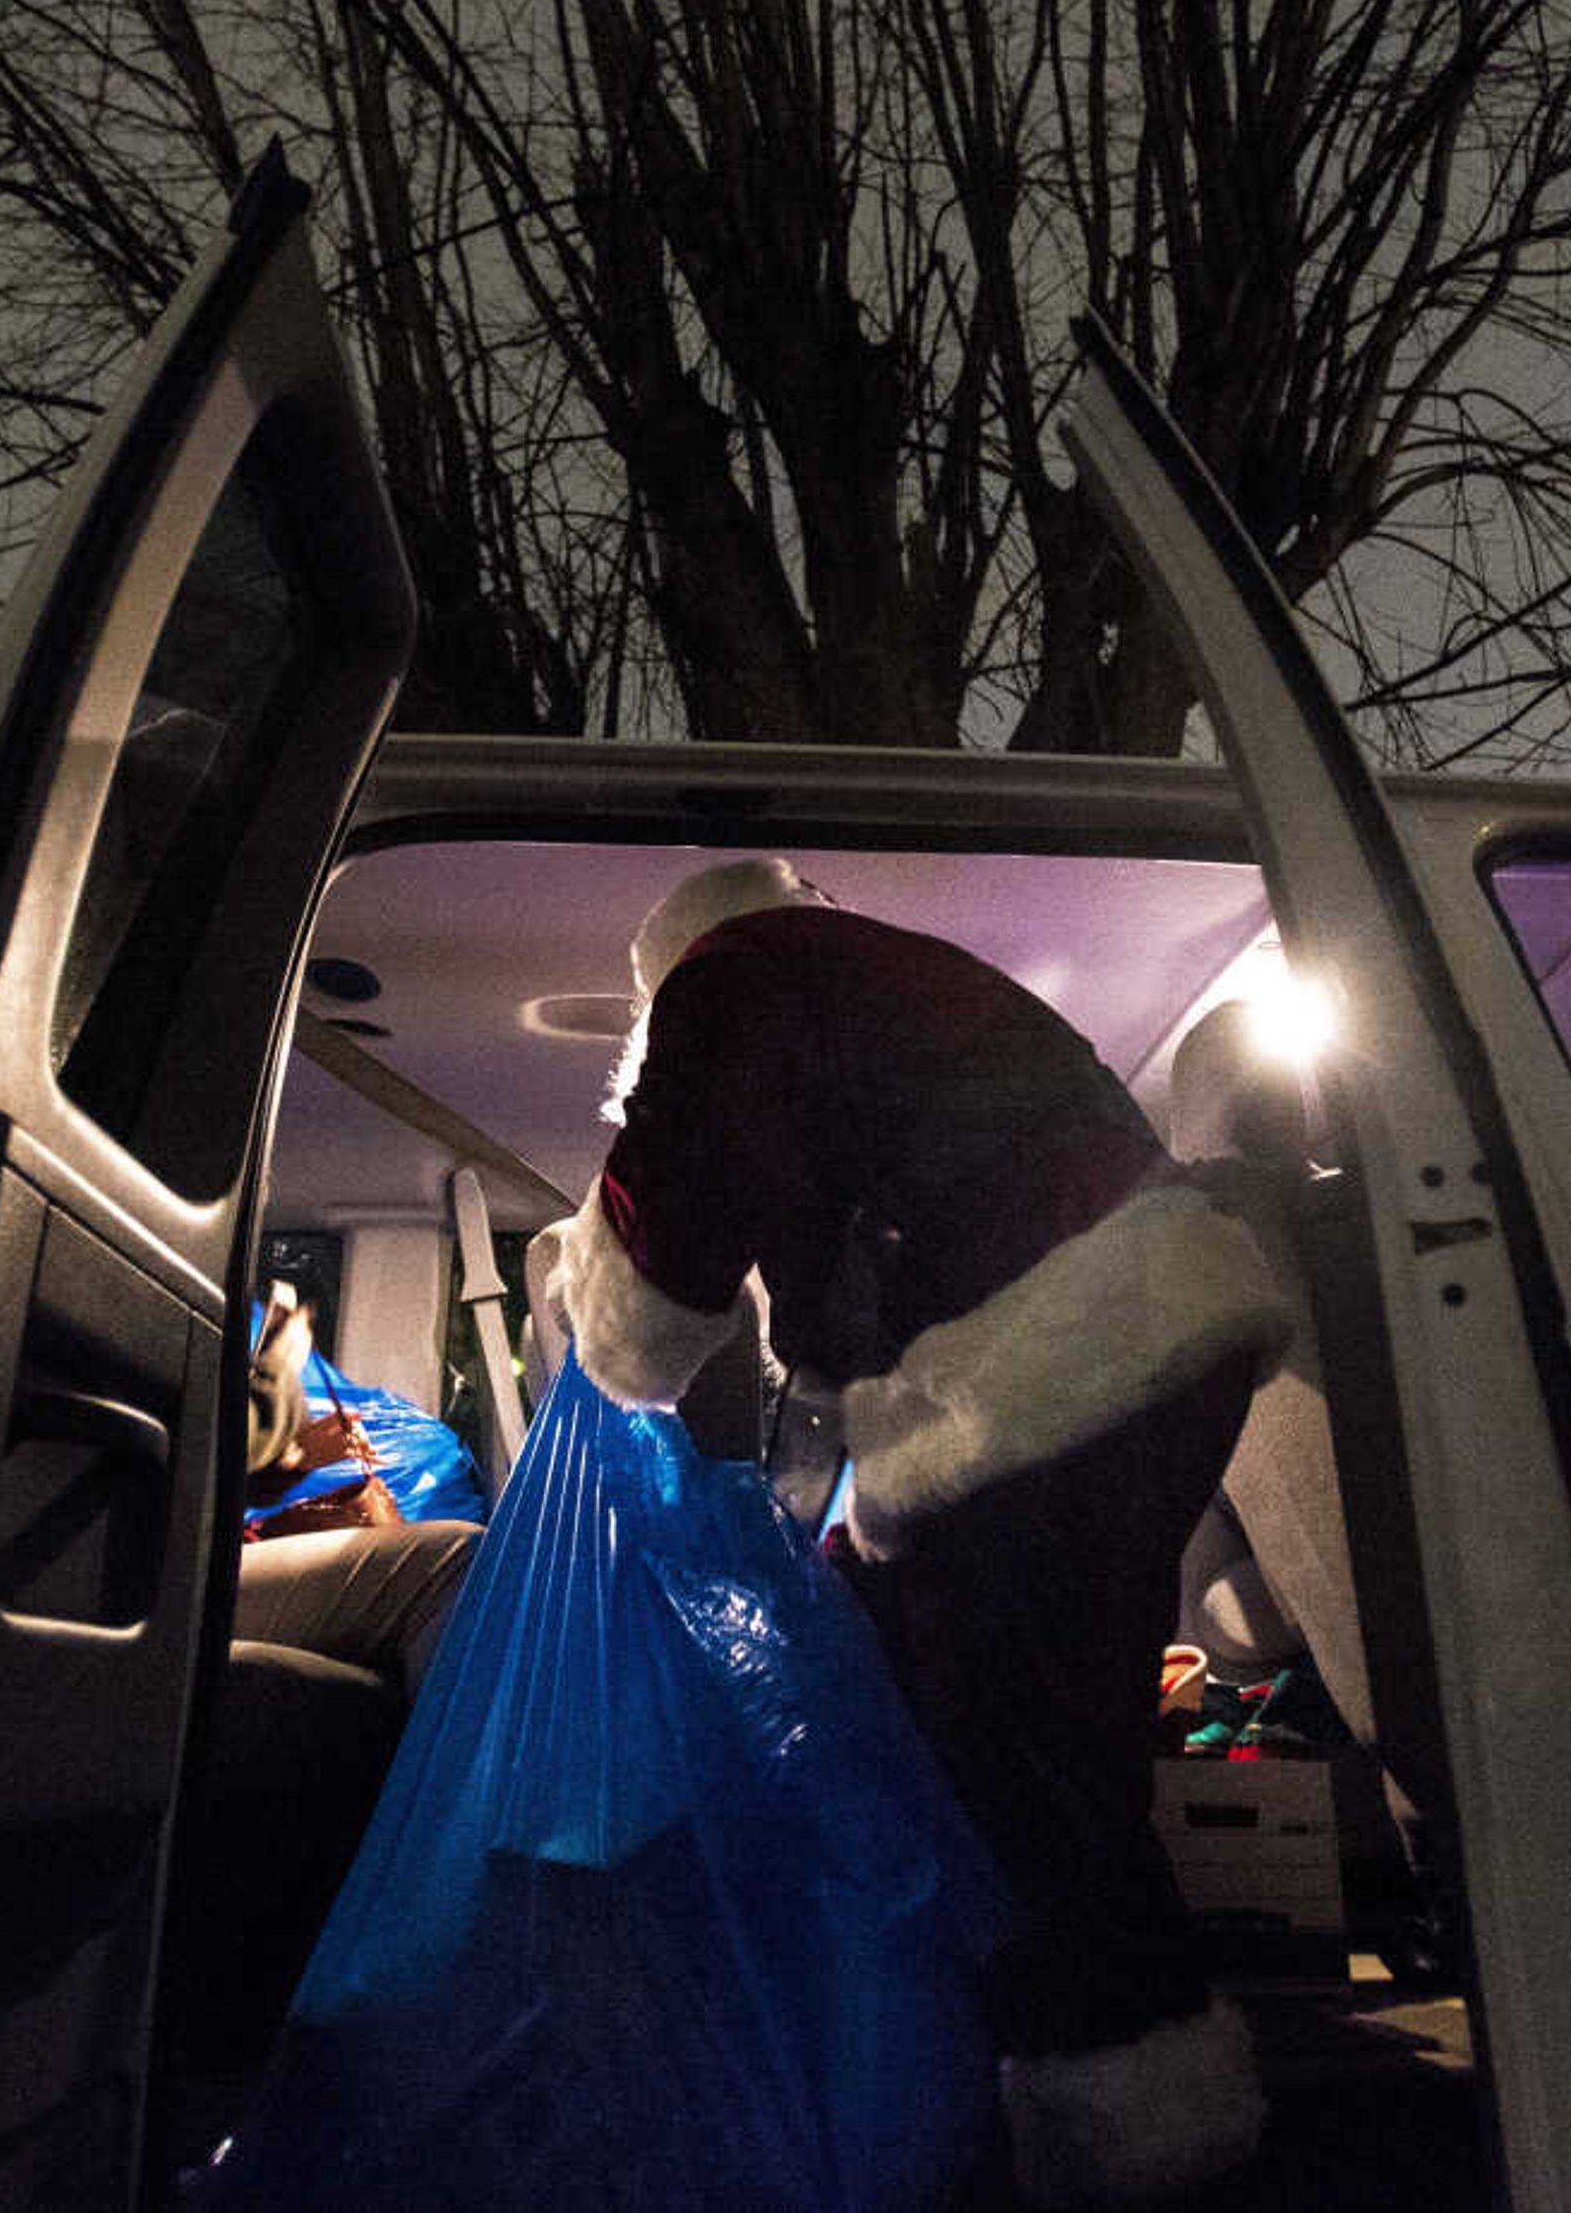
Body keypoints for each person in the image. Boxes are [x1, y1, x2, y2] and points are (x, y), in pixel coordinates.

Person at [532, 857, 1299, 2208]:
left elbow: (675, 1222)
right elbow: (845, 1320)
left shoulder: (738, 978)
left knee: (1016, 1754)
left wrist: (604, 1329)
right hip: (1113, 1344)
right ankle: (1096, 2093)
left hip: (1065, 1362)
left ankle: (1130, 2131)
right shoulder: (876, 1000)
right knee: (1006, 1715)